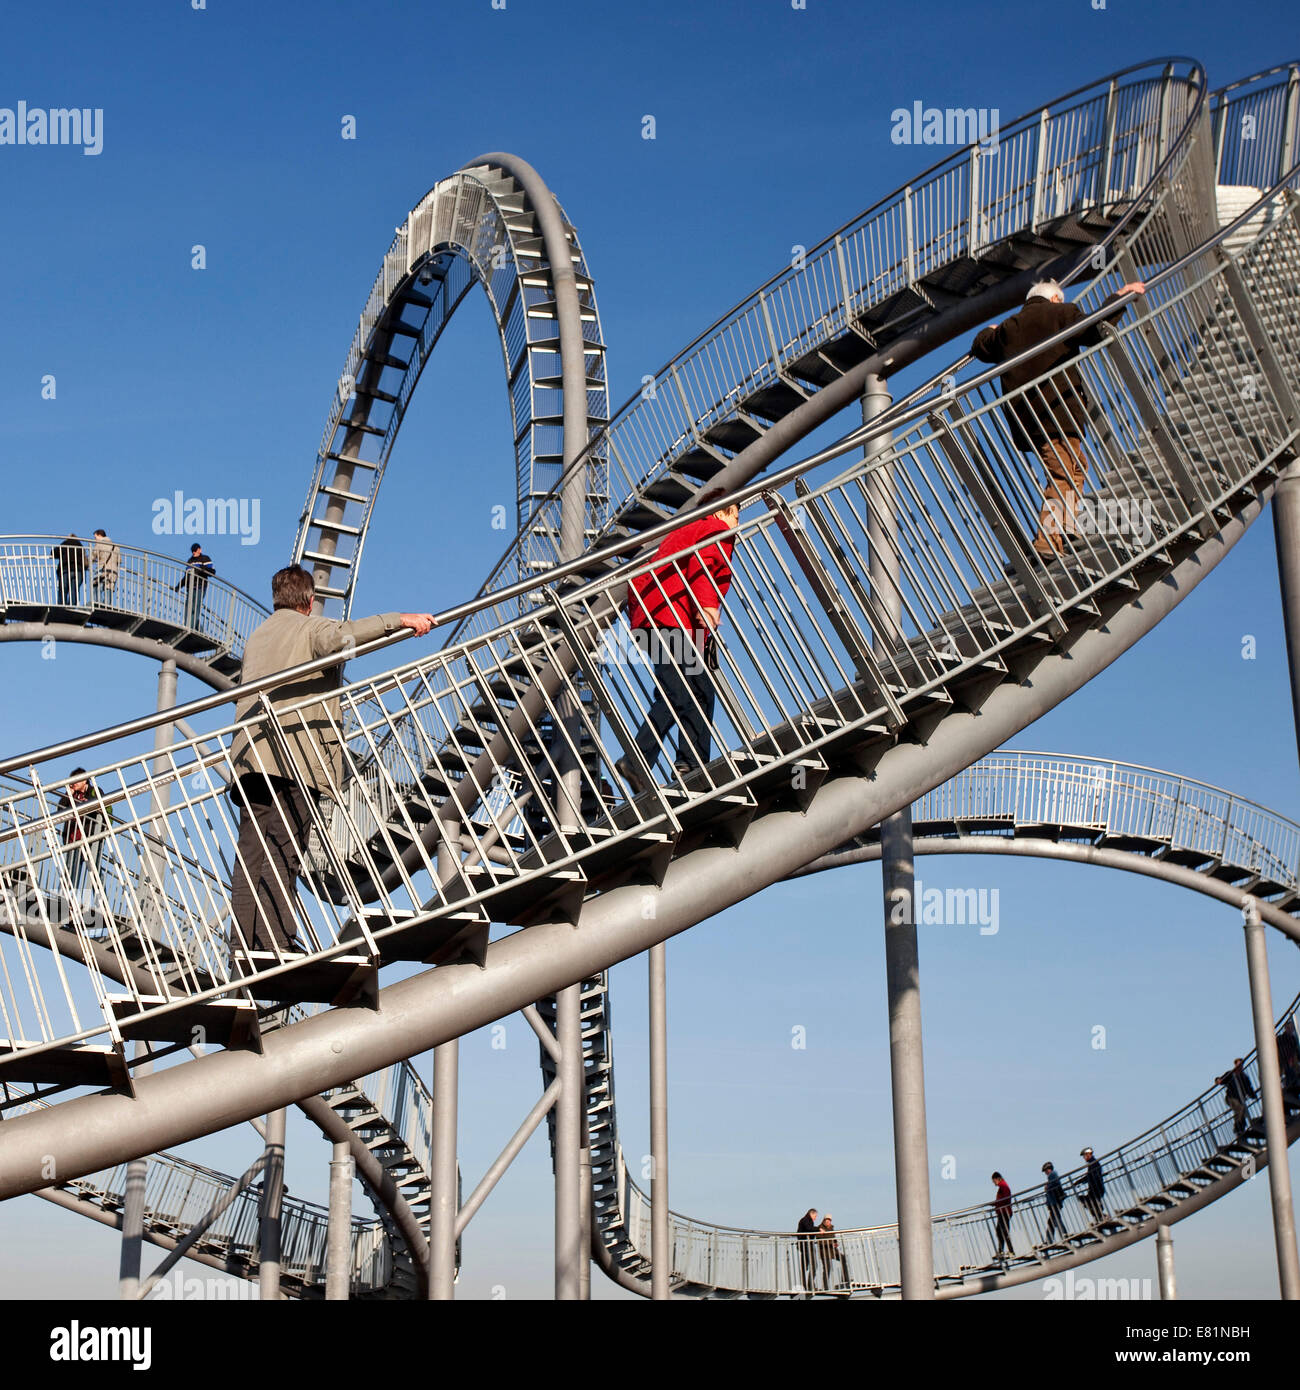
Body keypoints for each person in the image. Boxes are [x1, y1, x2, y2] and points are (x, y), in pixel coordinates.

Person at [227, 564, 435, 955]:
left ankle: (243, 945)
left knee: (252, 853)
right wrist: (400, 621)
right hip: (294, 759)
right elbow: (343, 637)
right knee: (284, 851)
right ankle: (276, 944)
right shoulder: (309, 627)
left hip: (249, 760)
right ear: (309, 601)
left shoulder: (258, 636)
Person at [971, 278, 1146, 560]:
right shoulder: (1060, 313)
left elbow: (981, 347)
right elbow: (1094, 329)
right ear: (1054, 299)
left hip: (1026, 417)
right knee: (1063, 472)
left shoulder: (1008, 328)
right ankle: (1047, 540)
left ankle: (1065, 528)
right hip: (1059, 410)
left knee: (1075, 466)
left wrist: (988, 330)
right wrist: (1120, 296)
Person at [615, 502, 739, 792]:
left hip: (654, 618)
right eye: (735, 514)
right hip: (670, 620)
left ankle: (687, 765)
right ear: (721, 511)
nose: (736, 522)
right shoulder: (715, 528)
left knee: (694, 690)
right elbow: (703, 564)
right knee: (685, 693)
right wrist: (706, 607)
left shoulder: (687, 530)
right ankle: (657, 762)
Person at [54, 767, 106, 909]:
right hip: (73, 839)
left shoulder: (94, 791)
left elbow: (100, 807)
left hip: (90, 839)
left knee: (94, 869)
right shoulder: (72, 794)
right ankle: (64, 899)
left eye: (76, 781)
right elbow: (59, 810)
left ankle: (102, 903)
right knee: (71, 870)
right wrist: (68, 795)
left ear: (84, 780)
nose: (73, 784)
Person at [177, 543, 215, 630]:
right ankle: (193, 628)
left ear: (199, 550)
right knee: (188, 607)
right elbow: (186, 575)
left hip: (200, 586)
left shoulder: (205, 558)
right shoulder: (190, 561)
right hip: (190, 588)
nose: (194, 553)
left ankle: (191, 627)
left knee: (195, 607)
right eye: (192, 551)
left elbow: (212, 572)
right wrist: (179, 586)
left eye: (195, 551)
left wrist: (202, 569)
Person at [1218, 1059, 1257, 1136]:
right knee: (1240, 1109)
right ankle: (1237, 1129)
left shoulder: (1244, 1077)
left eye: (1241, 1065)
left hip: (1240, 1098)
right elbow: (1221, 1080)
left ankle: (1241, 1128)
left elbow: (1249, 1088)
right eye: (1238, 1065)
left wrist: (1254, 1095)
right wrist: (1217, 1080)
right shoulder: (1230, 1074)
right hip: (1231, 1097)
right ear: (1235, 1065)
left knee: (1241, 1111)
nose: (1239, 1067)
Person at [52, 533, 86, 606]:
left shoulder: (65, 544)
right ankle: (72, 605)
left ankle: (61, 605)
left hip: (66, 569)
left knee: (63, 589)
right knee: (74, 589)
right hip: (78, 570)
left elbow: (54, 553)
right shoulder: (80, 546)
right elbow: (84, 558)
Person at [90, 529, 120, 604]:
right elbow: (119, 560)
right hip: (113, 570)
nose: (95, 540)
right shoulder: (115, 546)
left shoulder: (99, 544)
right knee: (109, 587)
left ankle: (97, 603)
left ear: (99, 535)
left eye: (95, 537)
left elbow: (92, 556)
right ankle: (108, 605)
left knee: (95, 585)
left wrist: (87, 563)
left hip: (103, 568)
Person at [1041, 1161, 1068, 1245]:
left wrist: (1047, 1187)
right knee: (1054, 1220)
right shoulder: (1052, 1175)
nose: (1045, 1172)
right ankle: (1063, 1236)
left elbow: (1054, 1185)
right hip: (1054, 1203)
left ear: (1049, 1169)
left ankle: (1063, 1236)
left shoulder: (1052, 1175)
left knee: (1054, 1220)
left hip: (1054, 1203)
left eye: (1046, 1170)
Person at [1078, 1146, 1106, 1223]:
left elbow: (1090, 1175)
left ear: (1088, 1155)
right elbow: (1089, 1176)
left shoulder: (1093, 1163)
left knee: (1086, 1201)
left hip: (1096, 1188)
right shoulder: (1093, 1163)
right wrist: (1079, 1181)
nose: (1084, 1158)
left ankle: (1101, 1217)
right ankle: (1100, 1217)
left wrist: (1080, 1181)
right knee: (1091, 1203)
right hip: (1095, 1188)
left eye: (1084, 1156)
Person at [794, 1208, 818, 1296]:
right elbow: (809, 1229)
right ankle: (808, 1285)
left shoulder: (806, 1220)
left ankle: (807, 1285)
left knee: (806, 1266)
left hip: (807, 1245)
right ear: (811, 1214)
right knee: (812, 1265)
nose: (815, 1218)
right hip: (806, 1246)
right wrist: (818, 1229)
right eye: (815, 1216)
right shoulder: (805, 1220)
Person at [991, 1172, 1015, 1259]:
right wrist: (995, 1204)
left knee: (1004, 1231)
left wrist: (996, 1203)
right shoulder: (1002, 1186)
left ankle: (1011, 1251)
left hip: (1004, 1212)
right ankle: (1001, 1251)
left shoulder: (1003, 1186)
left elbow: (1006, 1198)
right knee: (1000, 1231)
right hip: (1003, 1212)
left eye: (993, 1181)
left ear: (997, 1179)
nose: (994, 1183)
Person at [817, 1214, 844, 1292]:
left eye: (829, 1220)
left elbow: (833, 1238)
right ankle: (825, 1287)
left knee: (843, 1258)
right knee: (827, 1268)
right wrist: (831, 1243)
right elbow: (820, 1241)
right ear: (824, 1220)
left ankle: (845, 1278)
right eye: (827, 1220)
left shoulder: (831, 1228)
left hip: (833, 1251)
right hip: (824, 1252)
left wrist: (835, 1243)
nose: (828, 1221)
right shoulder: (820, 1228)